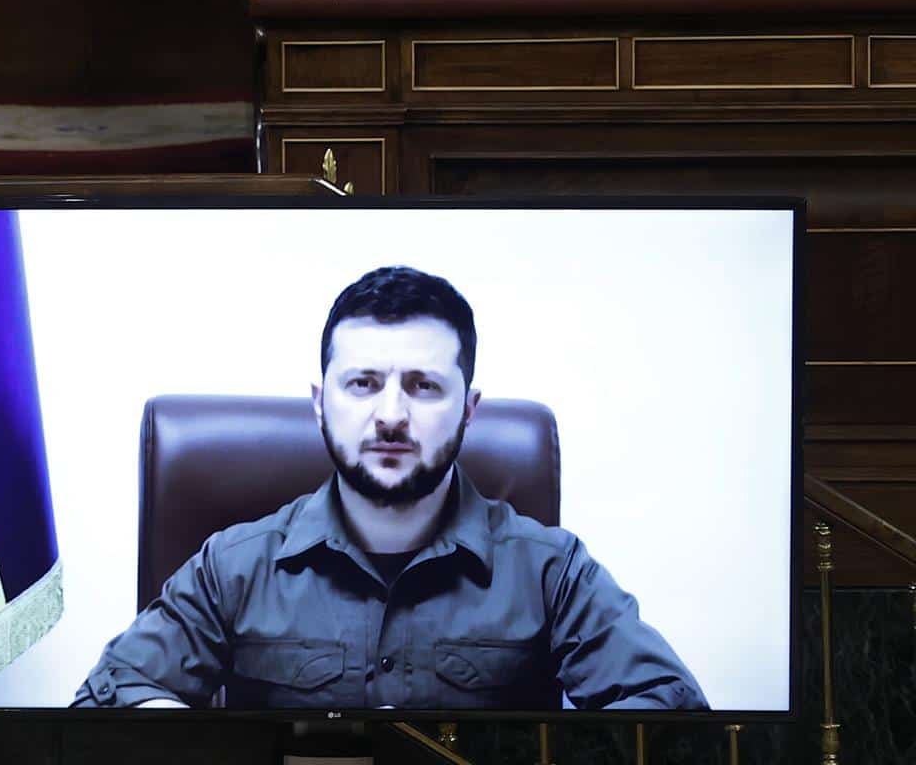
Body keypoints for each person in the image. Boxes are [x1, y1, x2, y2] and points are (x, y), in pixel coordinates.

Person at [73, 266, 706, 712]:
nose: (392, 415)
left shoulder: (551, 571)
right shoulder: (234, 566)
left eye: (424, 386)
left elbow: (672, 713)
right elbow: (108, 695)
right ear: (321, 405)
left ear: (469, 409)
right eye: (363, 383)